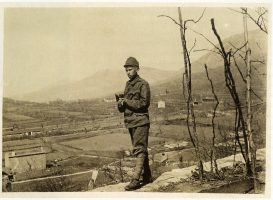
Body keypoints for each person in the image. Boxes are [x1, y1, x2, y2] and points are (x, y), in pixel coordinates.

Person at [116, 57, 153, 191]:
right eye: (126, 70)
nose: (128, 72)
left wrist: (126, 101)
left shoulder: (143, 84)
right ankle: (147, 176)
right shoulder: (128, 84)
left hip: (141, 121)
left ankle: (136, 179)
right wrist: (120, 104)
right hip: (131, 122)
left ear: (137, 69)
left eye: (130, 69)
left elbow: (144, 103)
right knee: (141, 149)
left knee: (139, 149)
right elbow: (123, 108)